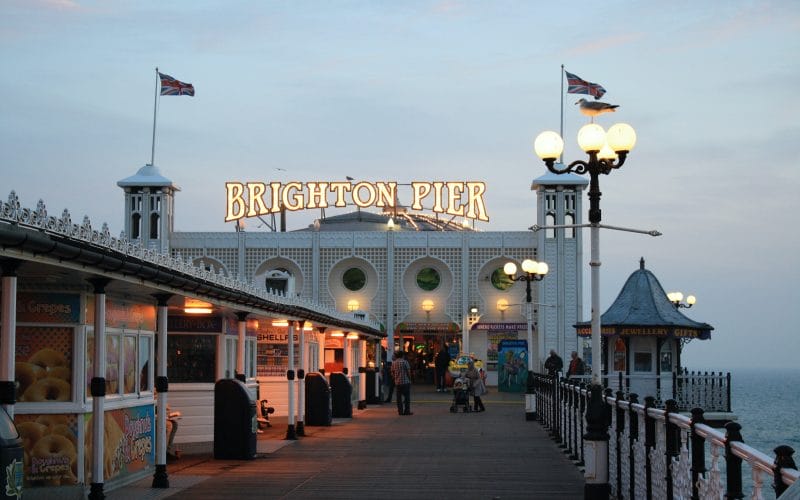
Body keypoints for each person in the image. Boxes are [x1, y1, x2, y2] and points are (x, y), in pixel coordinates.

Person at [390, 350, 413, 415]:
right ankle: (407, 411)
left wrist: (395, 378)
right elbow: (408, 372)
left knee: (398, 398)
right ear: (402, 355)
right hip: (405, 382)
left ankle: (400, 411)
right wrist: (410, 379)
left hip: (398, 383)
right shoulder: (405, 362)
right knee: (407, 397)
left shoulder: (394, 363)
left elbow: (392, 373)